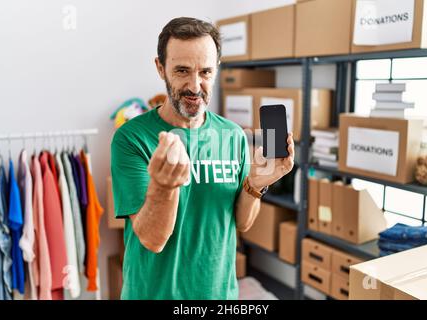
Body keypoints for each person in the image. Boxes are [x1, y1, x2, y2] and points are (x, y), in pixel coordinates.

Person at [110, 17, 294, 300]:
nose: (195, 86)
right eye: (182, 70)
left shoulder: (233, 135)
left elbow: (241, 223)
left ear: (217, 69)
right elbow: (152, 239)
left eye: (205, 72)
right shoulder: (132, 138)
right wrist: (164, 186)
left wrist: (255, 184)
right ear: (161, 68)